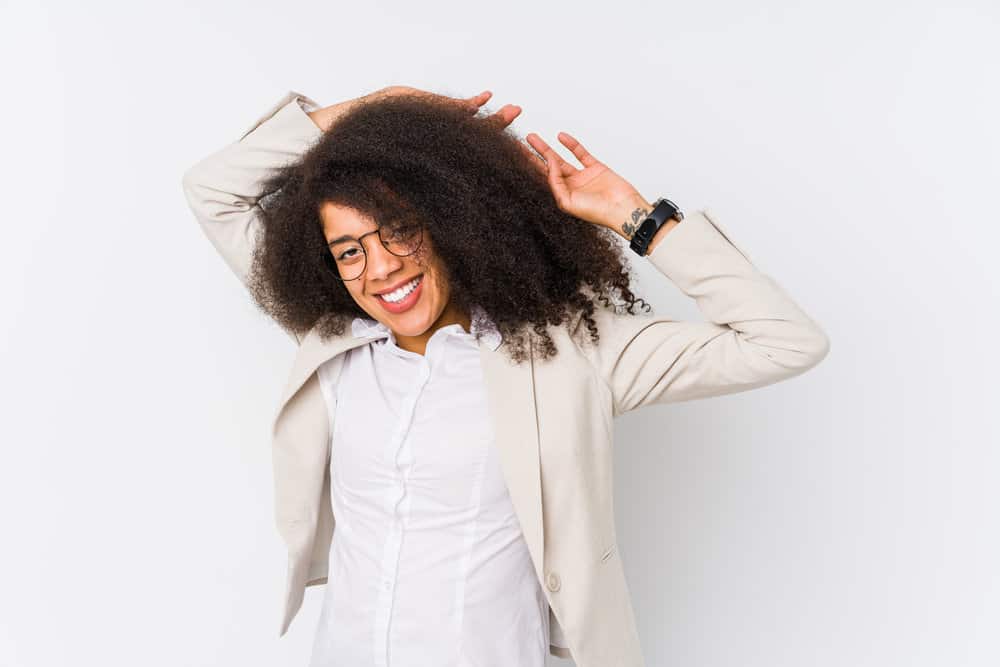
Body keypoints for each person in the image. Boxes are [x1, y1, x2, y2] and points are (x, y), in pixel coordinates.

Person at [181, 86, 830, 667]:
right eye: (350, 250)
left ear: (451, 222)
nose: (380, 268)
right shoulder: (334, 345)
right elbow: (212, 190)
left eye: (399, 232)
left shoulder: (571, 356)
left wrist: (636, 217)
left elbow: (784, 341)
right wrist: (370, 111)